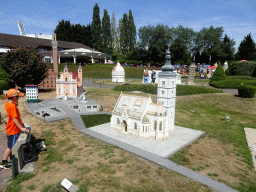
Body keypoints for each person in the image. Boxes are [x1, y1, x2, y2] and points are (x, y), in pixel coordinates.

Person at [0, 89, 28, 169]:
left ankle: (12, 158)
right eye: (18, 97)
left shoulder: (8, 104)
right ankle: (4, 162)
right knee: (10, 147)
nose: (19, 98)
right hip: (13, 130)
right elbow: (14, 118)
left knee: (12, 145)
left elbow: (15, 106)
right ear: (14, 98)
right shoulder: (12, 106)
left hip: (11, 128)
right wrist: (21, 127)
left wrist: (16, 101)